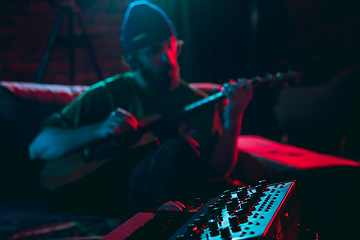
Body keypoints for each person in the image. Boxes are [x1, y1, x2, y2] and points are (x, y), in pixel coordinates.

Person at [29, 1, 253, 217]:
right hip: (105, 189)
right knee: (176, 149)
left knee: (183, 154)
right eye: (155, 50)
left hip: (171, 192)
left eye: (170, 45)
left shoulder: (199, 102)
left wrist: (233, 117)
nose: (168, 56)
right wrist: (101, 129)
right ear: (132, 58)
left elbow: (218, 172)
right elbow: (39, 148)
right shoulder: (108, 93)